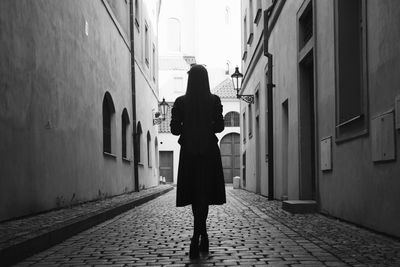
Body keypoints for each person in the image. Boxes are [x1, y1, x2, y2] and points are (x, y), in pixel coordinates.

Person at [170, 64, 226, 259]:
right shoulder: (214, 100)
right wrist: (207, 123)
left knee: (195, 194)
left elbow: (174, 130)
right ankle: (202, 235)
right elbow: (220, 127)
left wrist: (187, 125)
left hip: (189, 153)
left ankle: (197, 237)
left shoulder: (181, 102)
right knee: (204, 193)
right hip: (209, 152)